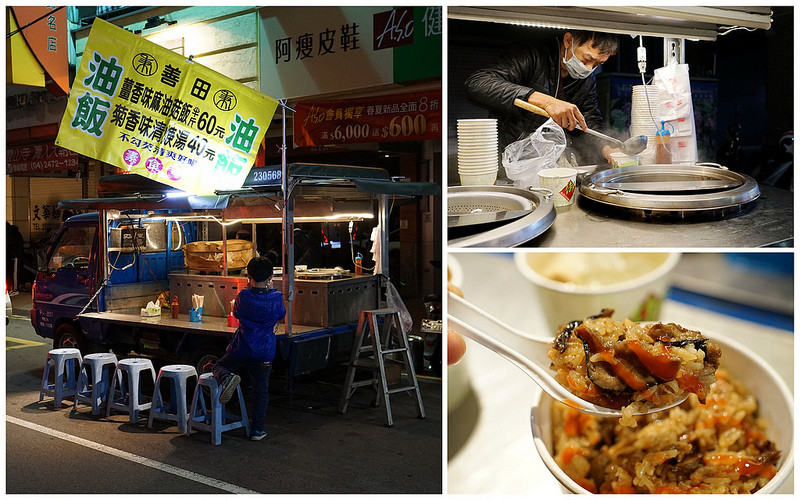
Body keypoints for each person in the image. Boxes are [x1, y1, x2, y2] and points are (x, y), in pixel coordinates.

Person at [465, 30, 620, 164]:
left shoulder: (587, 79)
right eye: (586, 59)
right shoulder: (532, 54)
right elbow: (476, 84)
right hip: (511, 160)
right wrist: (546, 102)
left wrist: (606, 148)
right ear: (568, 41)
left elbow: (589, 119)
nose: (589, 69)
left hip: (551, 161)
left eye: (597, 65)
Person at [213, 255, 286, 441]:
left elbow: (237, 313)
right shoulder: (276, 297)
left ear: (249, 277)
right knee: (261, 391)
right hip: (264, 351)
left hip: (242, 347)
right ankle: (257, 431)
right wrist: (270, 290)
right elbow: (281, 314)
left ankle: (227, 378)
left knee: (219, 366)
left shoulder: (243, 296)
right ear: (270, 277)